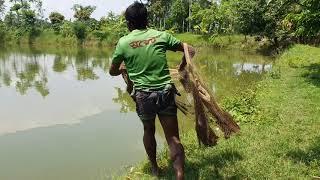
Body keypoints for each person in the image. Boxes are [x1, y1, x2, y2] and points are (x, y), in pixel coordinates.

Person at [109, 2, 195, 180]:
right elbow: (190, 50)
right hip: (165, 93)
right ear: (147, 19)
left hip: (143, 96)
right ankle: (179, 174)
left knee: (148, 130)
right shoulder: (161, 36)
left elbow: (112, 71)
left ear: (129, 23)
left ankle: (155, 169)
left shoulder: (123, 43)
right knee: (172, 137)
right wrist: (181, 67)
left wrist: (124, 69)